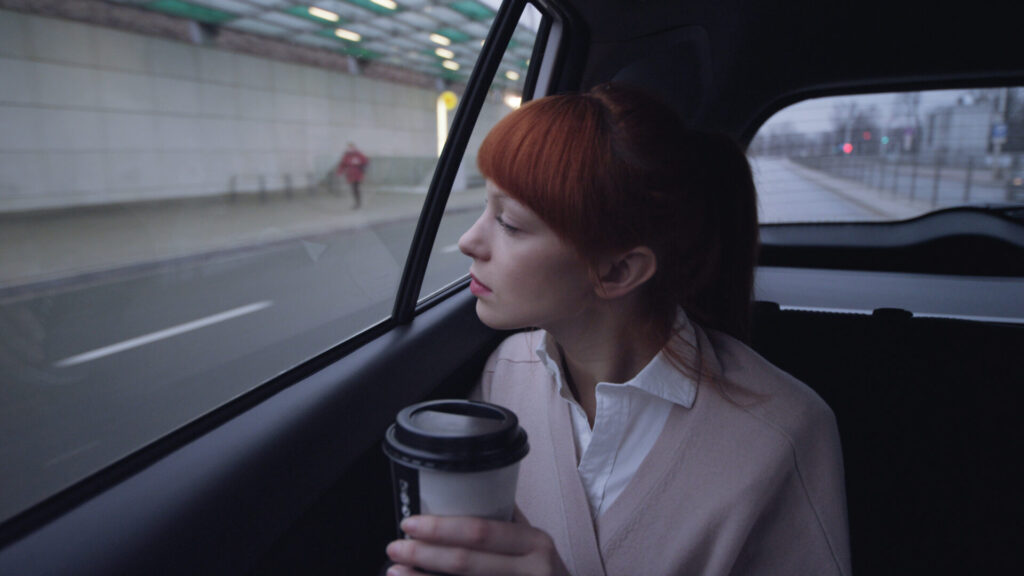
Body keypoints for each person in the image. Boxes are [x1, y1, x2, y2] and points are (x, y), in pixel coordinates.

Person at [385, 83, 851, 576]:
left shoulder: (784, 436)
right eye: (486, 209)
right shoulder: (505, 374)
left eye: (511, 224)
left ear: (617, 272)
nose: (468, 241)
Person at [338, 142, 369, 209]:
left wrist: (362, 167)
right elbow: (343, 164)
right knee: (353, 189)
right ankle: (357, 202)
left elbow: (365, 162)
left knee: (355, 188)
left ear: (354, 148)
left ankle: (357, 203)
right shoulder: (346, 155)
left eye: (352, 147)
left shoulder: (358, 154)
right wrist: (339, 172)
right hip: (350, 175)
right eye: (349, 147)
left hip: (357, 175)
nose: (350, 149)